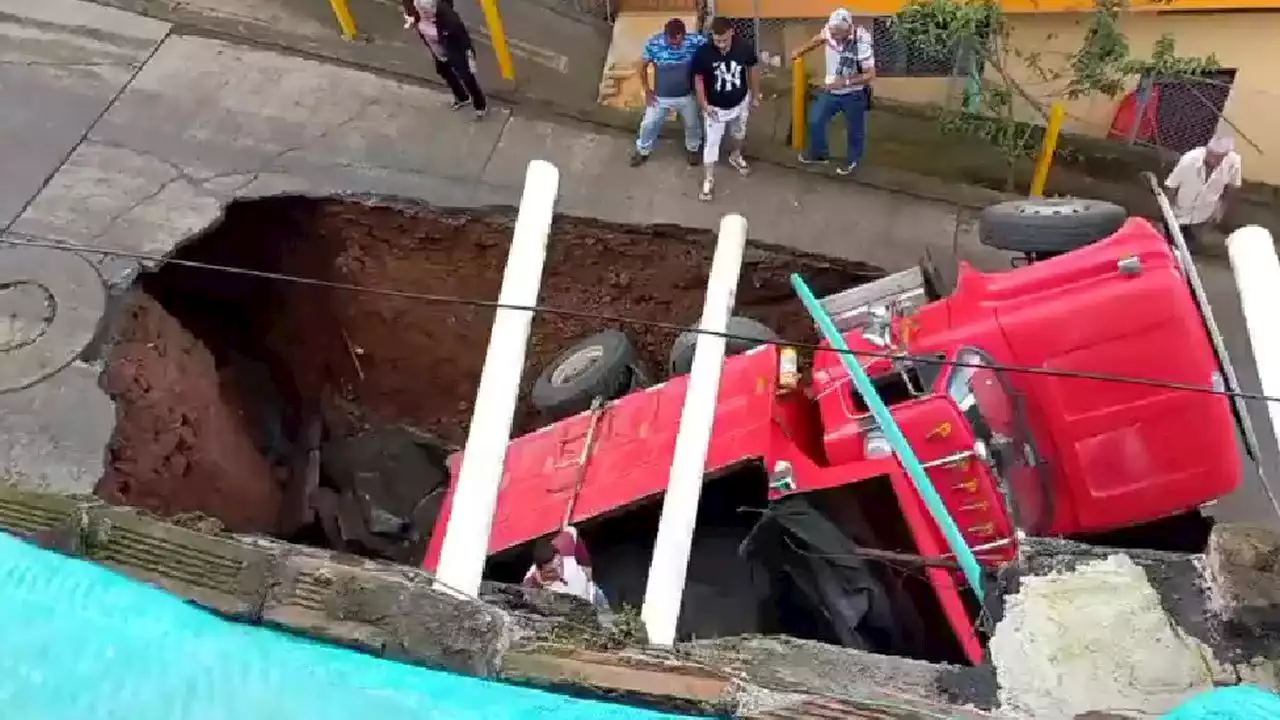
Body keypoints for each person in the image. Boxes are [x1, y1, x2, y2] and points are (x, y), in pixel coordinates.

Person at [791, 8, 875, 175]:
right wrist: (800, 50)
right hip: (831, 91)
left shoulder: (862, 41)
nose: (833, 37)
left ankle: (853, 162)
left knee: (854, 131)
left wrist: (845, 82)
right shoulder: (830, 30)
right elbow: (818, 39)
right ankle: (820, 154)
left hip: (854, 93)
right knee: (815, 120)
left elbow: (870, 74)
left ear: (848, 29)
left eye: (837, 34)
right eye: (831, 32)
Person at [691, 17, 761, 201]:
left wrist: (756, 95)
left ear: (732, 32)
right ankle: (708, 178)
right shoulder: (703, 53)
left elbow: (753, 67)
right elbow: (698, 79)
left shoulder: (744, 47)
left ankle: (736, 156)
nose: (720, 44)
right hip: (716, 108)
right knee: (712, 143)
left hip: (740, 102)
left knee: (739, 133)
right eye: (716, 40)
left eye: (724, 40)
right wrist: (704, 104)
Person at [631, 18, 705, 168]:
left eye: (678, 41)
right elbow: (642, 66)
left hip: (686, 95)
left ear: (684, 35)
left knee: (692, 124)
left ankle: (693, 149)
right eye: (672, 41)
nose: (675, 45)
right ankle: (643, 150)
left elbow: (713, 47)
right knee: (649, 124)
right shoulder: (654, 43)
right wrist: (647, 90)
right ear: (666, 36)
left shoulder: (695, 41)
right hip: (660, 96)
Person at [402, 0, 487, 119]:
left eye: (428, 11)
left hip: (451, 43)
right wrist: (412, 20)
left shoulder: (449, 18)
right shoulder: (413, 7)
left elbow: (462, 35)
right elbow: (410, 11)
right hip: (434, 44)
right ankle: (462, 97)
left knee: (465, 74)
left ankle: (480, 105)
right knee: (443, 69)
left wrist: (469, 52)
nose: (424, 12)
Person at [1164, 135, 1242, 250]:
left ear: (1226, 156)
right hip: (1179, 213)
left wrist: (1221, 210)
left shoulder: (1233, 163)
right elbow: (1170, 186)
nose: (1213, 160)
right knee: (1170, 245)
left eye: (1218, 157)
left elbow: (1232, 187)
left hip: (1203, 215)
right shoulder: (1189, 160)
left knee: (1193, 248)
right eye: (1211, 154)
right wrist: (1167, 215)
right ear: (1207, 150)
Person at [523, 526, 611, 614]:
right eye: (551, 571)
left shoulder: (565, 545)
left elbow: (572, 531)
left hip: (594, 596)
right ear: (540, 570)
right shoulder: (531, 581)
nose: (559, 573)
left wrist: (587, 567)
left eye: (560, 565)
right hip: (575, 613)